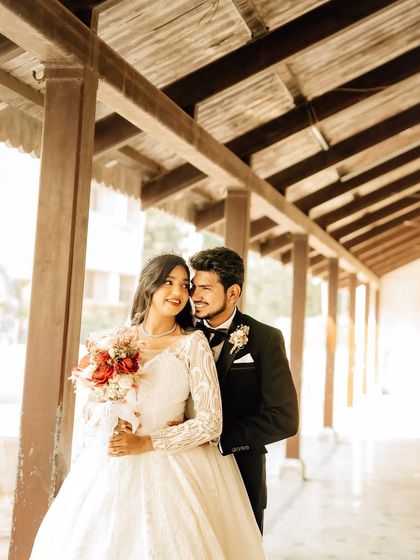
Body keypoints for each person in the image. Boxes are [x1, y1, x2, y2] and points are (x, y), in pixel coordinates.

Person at [30, 253, 266, 560]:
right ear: (149, 286)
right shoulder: (114, 340)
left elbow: (211, 422)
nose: (179, 293)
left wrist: (147, 442)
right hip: (113, 465)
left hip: (175, 466)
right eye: (169, 282)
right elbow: (91, 409)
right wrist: (112, 420)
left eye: (185, 285)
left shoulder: (193, 344)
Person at [190, 246, 299, 532]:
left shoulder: (265, 339)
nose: (195, 296)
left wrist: (218, 438)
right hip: (186, 475)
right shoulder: (182, 333)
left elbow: (284, 418)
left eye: (205, 288)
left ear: (233, 293)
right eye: (193, 287)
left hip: (241, 470)